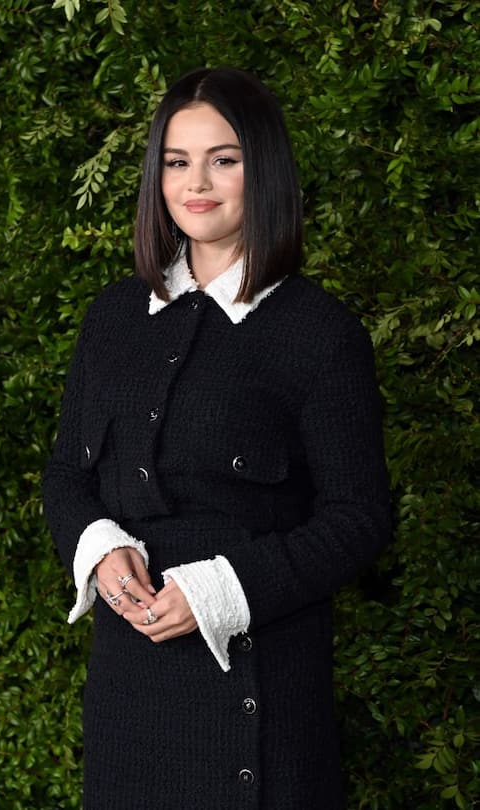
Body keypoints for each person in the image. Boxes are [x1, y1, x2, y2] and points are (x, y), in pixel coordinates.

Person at [43, 66, 391, 810]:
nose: (195, 182)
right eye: (176, 161)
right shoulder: (112, 318)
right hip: (127, 691)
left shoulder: (320, 333)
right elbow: (65, 477)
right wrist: (102, 549)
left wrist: (220, 591)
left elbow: (359, 517)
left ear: (262, 169)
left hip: (258, 686)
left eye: (223, 159)